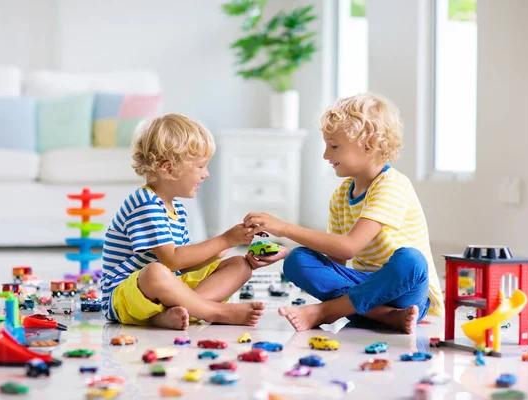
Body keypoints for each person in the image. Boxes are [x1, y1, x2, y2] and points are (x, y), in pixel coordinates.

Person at [244, 93, 444, 333]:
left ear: (369, 144)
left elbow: (349, 247)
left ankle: (327, 312)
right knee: (298, 260)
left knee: (411, 261)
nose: (326, 155)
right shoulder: (341, 195)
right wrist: (284, 250)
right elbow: (337, 260)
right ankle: (385, 317)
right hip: (362, 285)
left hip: (406, 293)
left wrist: (285, 228)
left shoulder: (392, 185)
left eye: (334, 146)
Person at [100, 114, 269, 330]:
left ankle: (176, 312)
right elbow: (171, 261)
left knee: (240, 265)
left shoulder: (177, 207)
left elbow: (183, 265)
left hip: (166, 288)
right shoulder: (145, 202)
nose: (206, 174)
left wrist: (215, 252)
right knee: (155, 272)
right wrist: (224, 239)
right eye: (200, 167)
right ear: (168, 169)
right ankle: (213, 311)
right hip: (124, 296)